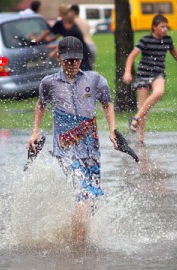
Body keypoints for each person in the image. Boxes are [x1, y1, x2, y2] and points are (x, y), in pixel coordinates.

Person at [26, 36, 118, 244]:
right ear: (58, 58)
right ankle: (77, 247)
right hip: (66, 152)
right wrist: (35, 132)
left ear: (81, 58)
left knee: (92, 201)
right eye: (67, 60)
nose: (72, 65)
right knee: (85, 197)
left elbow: (107, 104)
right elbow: (41, 105)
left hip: (91, 152)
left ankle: (74, 237)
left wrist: (112, 130)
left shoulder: (94, 80)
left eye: (76, 60)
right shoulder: (49, 83)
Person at [123, 14, 177, 143]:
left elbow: (175, 54)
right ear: (154, 27)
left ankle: (135, 118)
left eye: (166, 27)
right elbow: (131, 56)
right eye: (162, 27)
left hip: (158, 74)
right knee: (144, 109)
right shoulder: (145, 40)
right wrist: (127, 72)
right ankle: (140, 140)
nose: (165, 29)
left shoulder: (168, 40)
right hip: (143, 75)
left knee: (159, 92)